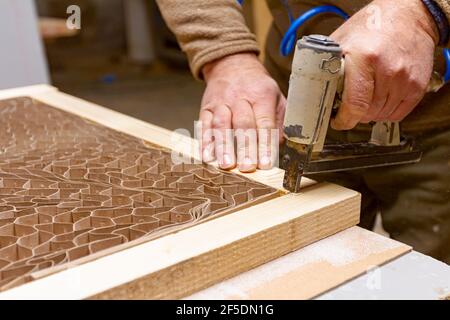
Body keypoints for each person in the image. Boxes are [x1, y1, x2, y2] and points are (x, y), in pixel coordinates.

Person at [156, 0, 450, 263]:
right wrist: (226, 56)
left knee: (433, 273)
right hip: (298, 102)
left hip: (439, 119)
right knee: (306, 263)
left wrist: (425, 12)